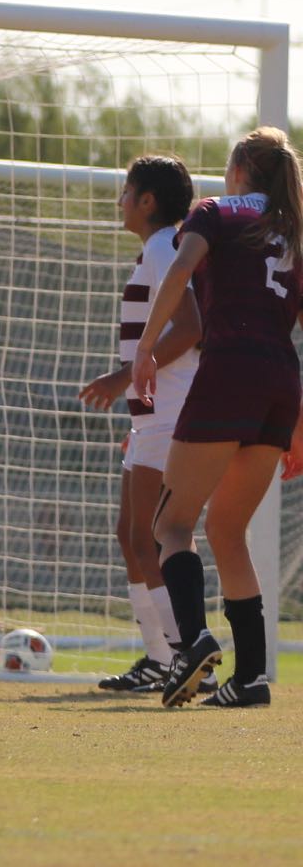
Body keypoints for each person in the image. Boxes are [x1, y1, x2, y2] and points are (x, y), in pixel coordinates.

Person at [130, 127, 303, 709]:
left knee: (170, 525)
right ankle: (251, 678)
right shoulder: (294, 232)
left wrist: (146, 351)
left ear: (237, 169)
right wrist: (298, 424)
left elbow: (180, 272)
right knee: (227, 531)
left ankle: (194, 642)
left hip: (229, 369)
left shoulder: (215, 212)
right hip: (281, 382)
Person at [76, 155, 200, 692]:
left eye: (127, 191)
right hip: (153, 415)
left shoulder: (163, 246)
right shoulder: (155, 248)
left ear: (147, 201)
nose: (120, 200)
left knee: (151, 536)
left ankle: (182, 654)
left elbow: (191, 327)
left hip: (170, 413)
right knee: (131, 536)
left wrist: (124, 377)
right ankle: (158, 656)